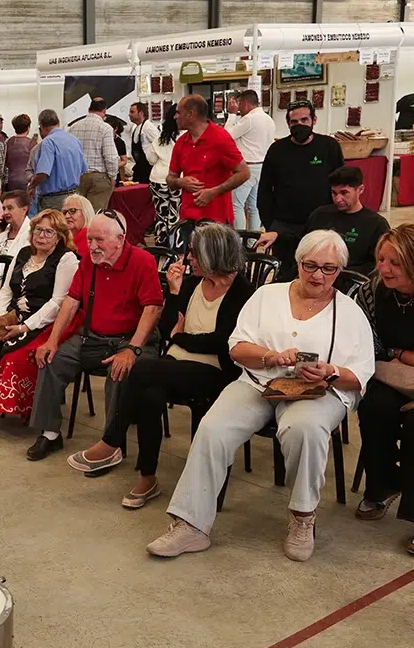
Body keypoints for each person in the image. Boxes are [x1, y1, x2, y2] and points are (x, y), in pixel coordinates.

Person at [146, 230, 374, 562]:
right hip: (257, 381)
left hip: (317, 393)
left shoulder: (350, 313)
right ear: (297, 263)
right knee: (214, 428)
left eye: (329, 268)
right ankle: (191, 525)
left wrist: (331, 372)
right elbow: (237, 347)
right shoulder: (267, 296)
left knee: (305, 430)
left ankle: (302, 517)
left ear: (339, 270)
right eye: (310, 265)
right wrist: (270, 357)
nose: (318, 275)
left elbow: (361, 376)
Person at [69, 224, 253, 507]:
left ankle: (113, 440)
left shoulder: (243, 292)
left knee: (139, 367)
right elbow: (166, 327)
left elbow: (221, 343)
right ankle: (147, 477)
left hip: (215, 371)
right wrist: (175, 292)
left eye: (194, 252)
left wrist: (181, 336)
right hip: (175, 364)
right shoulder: (192, 283)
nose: (188, 258)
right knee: (148, 392)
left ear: (212, 255)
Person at [26, 211, 164, 462]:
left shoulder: (142, 261)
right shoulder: (89, 261)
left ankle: (112, 444)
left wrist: (132, 350)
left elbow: (153, 309)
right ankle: (50, 433)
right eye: (90, 240)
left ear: (120, 239)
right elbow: (71, 301)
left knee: (119, 371)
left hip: (131, 340)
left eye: (99, 240)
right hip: (92, 337)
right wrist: (53, 340)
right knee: (50, 359)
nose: (92, 246)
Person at [0, 209, 80, 417]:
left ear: (59, 236)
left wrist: (25, 327)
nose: (41, 236)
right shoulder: (24, 252)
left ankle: (25, 407)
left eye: (49, 232)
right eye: (38, 230)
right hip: (15, 315)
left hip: (46, 322)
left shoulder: (66, 259)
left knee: (18, 357)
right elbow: (6, 289)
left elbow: (57, 303)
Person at [355, 224, 414, 554]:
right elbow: (367, 340)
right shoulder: (374, 290)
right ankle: (384, 484)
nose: (383, 268)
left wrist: (395, 353)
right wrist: (402, 355)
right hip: (391, 374)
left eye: (394, 262)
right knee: (373, 406)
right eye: (380, 259)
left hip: (396, 368)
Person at [255, 100, 345, 274]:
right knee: (286, 275)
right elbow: (265, 191)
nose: (300, 125)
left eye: (304, 120)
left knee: (319, 273)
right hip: (285, 227)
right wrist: (272, 226)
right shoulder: (277, 150)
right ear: (288, 124)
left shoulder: (329, 147)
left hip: (321, 226)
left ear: (314, 120)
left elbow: (341, 184)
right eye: (294, 122)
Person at [167, 94, 249, 246]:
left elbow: (244, 173)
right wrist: (180, 182)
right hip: (189, 220)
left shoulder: (220, 138)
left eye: (178, 112)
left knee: (216, 267)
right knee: (192, 265)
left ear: (191, 114)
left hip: (216, 222)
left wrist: (214, 192)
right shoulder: (181, 143)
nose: (175, 117)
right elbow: (170, 179)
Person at [303, 166, 389, 278]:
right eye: (334, 193)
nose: (338, 199)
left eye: (344, 193)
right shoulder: (319, 215)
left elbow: (376, 265)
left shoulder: (377, 224)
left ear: (360, 190)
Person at [227, 90, 275, 233]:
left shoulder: (249, 119)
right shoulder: (268, 119)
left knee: (236, 205)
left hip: (247, 168)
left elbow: (226, 136)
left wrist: (231, 114)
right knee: (254, 206)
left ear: (246, 103)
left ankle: (239, 241)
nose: (239, 108)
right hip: (262, 166)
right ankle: (252, 243)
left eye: (240, 104)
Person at [29, 109, 87, 212]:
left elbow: (43, 173)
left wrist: (32, 185)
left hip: (53, 199)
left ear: (41, 126)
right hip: (74, 196)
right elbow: (83, 169)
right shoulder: (74, 140)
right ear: (58, 122)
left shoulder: (48, 142)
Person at [68, 97, 120, 211]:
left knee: (78, 214)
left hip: (77, 177)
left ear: (89, 109)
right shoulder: (106, 128)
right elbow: (110, 156)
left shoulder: (73, 128)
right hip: (99, 177)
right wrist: (113, 177)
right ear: (104, 111)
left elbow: (69, 154)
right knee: (96, 215)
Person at [145, 104, 184, 247]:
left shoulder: (161, 137)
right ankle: (176, 243)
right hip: (179, 178)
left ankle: (161, 242)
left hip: (158, 179)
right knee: (176, 212)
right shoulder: (186, 136)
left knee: (161, 213)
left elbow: (151, 159)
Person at [0, 189, 32, 259]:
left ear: (24, 210)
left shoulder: (31, 233)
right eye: (4, 208)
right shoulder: (2, 232)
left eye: (10, 208)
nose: (5, 212)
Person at [4, 114, 37, 191]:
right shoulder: (32, 143)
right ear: (28, 127)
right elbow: (36, 163)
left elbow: (6, 162)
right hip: (27, 180)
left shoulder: (8, 141)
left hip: (11, 181)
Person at [128, 102, 159, 185]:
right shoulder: (136, 128)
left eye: (132, 112)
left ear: (141, 113)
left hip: (148, 171)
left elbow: (160, 145)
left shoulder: (148, 127)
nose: (129, 115)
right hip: (139, 169)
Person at [61, 193, 95, 258]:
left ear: (85, 213)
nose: (67, 216)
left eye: (72, 211)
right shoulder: (63, 237)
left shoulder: (90, 238)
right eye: (64, 212)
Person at [105, 115, 130, 180]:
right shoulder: (102, 139)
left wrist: (114, 167)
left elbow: (124, 160)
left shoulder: (119, 142)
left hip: (114, 173)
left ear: (115, 129)